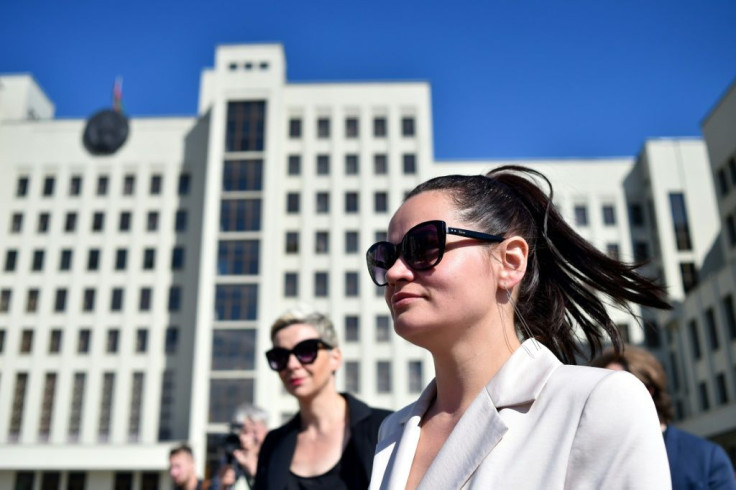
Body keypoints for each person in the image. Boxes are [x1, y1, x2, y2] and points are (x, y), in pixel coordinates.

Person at [366, 166, 673, 489]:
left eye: (424, 245)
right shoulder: (392, 431)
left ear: (510, 262)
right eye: (386, 257)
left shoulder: (598, 402)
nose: (395, 272)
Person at [254, 305, 392, 489]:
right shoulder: (273, 444)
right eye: (280, 356)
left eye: (305, 351)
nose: (292, 365)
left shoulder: (386, 427)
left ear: (335, 358)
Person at [592, 344, 736, 489]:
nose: (607, 397)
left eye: (616, 387)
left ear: (648, 390)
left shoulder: (706, 457)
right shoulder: (593, 456)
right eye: (601, 389)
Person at [217, 405, 269, 490]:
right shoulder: (231, 458)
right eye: (245, 432)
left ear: (266, 431)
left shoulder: (275, 457)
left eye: (254, 431)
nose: (248, 437)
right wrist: (223, 486)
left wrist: (253, 469)